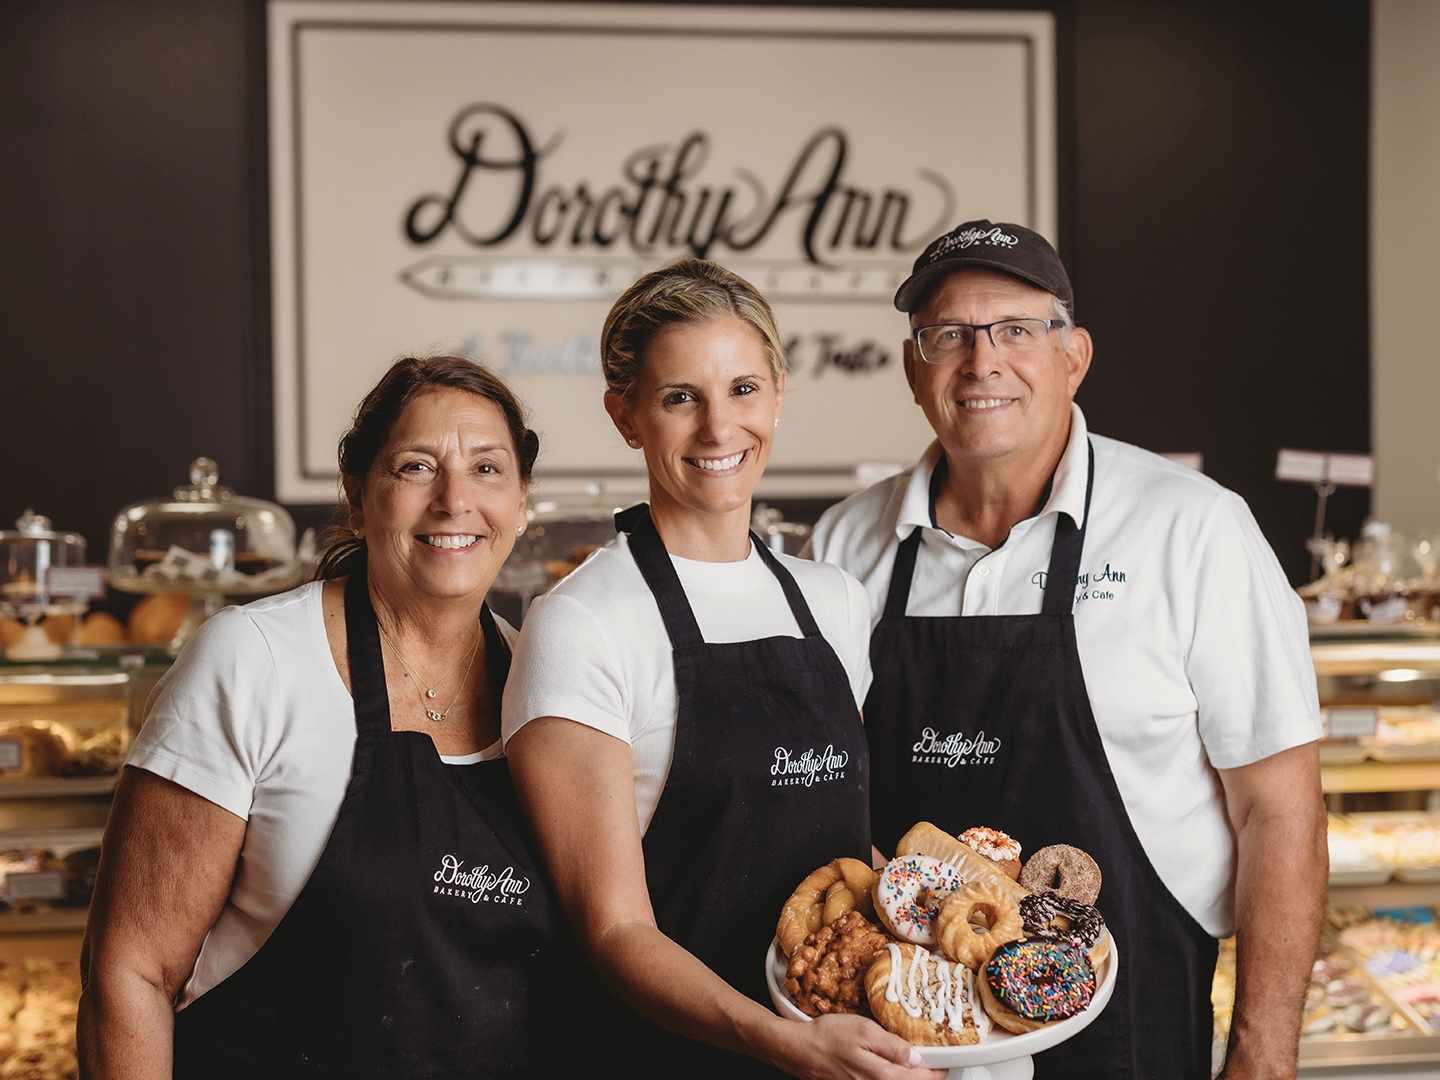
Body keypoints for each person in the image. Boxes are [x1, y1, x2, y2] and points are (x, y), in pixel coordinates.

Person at [807, 220, 1328, 1080]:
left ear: (1073, 357)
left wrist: (1263, 1058)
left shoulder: (1191, 528)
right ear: (913, 367)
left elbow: (1281, 813)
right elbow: (827, 789)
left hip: (1132, 1027)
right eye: (949, 336)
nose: (982, 363)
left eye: (1017, 330)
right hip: (909, 1035)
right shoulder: (844, 544)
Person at [503, 259, 937, 1080]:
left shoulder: (835, 602)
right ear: (625, 416)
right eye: (680, 397)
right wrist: (781, 1040)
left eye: (742, 389)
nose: (718, 428)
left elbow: (840, 849)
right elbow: (613, 930)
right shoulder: (582, 623)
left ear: (778, 393)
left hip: (846, 1051)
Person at [78, 356, 567, 1078]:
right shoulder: (254, 660)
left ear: (521, 503)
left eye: (487, 470)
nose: (454, 500)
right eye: (416, 467)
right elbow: (130, 974)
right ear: (358, 499)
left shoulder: (549, 689)